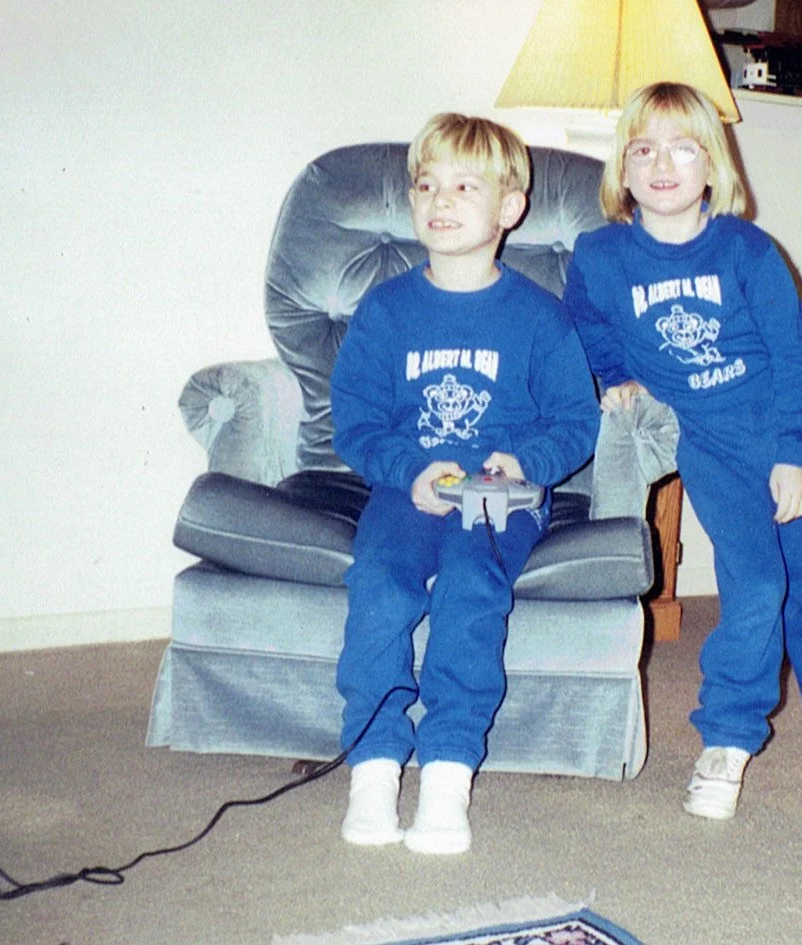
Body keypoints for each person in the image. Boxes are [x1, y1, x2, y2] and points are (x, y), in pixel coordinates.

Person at [561, 82, 802, 820]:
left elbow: (798, 353)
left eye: (682, 147)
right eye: (643, 149)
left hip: (791, 434)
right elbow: (587, 321)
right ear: (623, 171)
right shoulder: (600, 257)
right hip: (715, 450)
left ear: (711, 167)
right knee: (755, 585)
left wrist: (793, 450)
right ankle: (726, 735)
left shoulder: (747, 251)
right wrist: (618, 373)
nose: (662, 164)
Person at [329, 113, 599, 853]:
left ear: (509, 208)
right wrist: (405, 469)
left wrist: (525, 462)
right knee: (380, 585)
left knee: (469, 585)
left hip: (500, 498)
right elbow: (354, 420)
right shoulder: (386, 310)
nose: (438, 199)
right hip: (407, 491)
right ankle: (375, 766)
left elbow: (575, 420)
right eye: (425, 183)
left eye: (462, 185)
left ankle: (448, 769)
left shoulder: (541, 318)